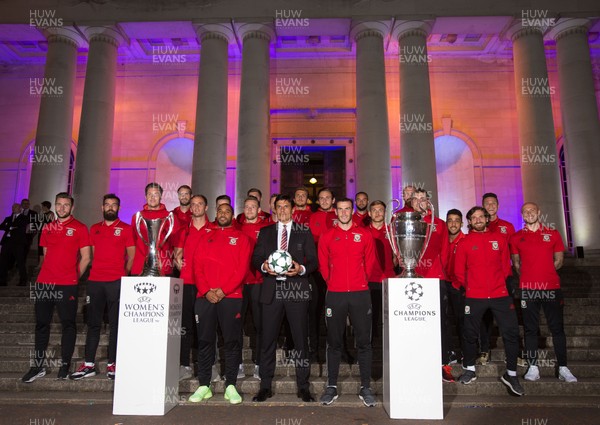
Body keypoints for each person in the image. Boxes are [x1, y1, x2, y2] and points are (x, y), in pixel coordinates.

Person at [251, 194, 318, 403]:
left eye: (286, 206)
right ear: (275, 210)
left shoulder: (304, 231)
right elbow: (255, 258)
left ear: (292, 209)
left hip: (296, 290)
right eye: (278, 207)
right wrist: (264, 266)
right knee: (268, 340)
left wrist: (301, 269)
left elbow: (314, 261)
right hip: (272, 291)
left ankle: (303, 387)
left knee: (300, 340)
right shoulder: (265, 232)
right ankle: (265, 386)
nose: (282, 210)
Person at [21, 192, 91, 383]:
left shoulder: (80, 228)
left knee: (68, 325)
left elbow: (86, 257)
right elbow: (45, 255)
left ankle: (65, 366)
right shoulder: (48, 227)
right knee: (41, 325)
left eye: (65, 205)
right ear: (54, 205)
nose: (61, 208)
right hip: (45, 283)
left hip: (67, 285)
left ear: (72, 207)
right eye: (58, 204)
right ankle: (37, 367)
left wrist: (73, 277)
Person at [455, 206, 524, 396]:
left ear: (486, 219)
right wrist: (470, 288)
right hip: (474, 296)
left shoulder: (500, 239)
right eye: (473, 217)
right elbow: (459, 271)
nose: (477, 220)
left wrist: (500, 286)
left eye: (480, 216)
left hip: (499, 294)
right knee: (469, 333)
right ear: (469, 221)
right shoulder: (464, 243)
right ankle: (469, 369)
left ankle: (511, 374)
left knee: (510, 332)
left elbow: (505, 267)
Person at [189, 203, 251, 405]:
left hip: (231, 298)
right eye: (220, 211)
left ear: (233, 215)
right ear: (216, 214)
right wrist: (207, 290)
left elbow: (241, 270)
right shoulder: (205, 236)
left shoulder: (242, 238)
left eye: (227, 211)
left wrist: (223, 290)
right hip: (204, 297)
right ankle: (204, 385)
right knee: (205, 342)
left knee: (232, 342)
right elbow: (197, 267)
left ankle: (231, 385)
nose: (223, 214)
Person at [318, 198, 378, 407]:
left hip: (360, 294)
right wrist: (332, 282)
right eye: (340, 209)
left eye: (347, 209)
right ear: (336, 211)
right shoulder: (327, 236)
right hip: (335, 294)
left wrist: (360, 280)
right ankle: (332, 386)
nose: (344, 213)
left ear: (352, 211)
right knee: (334, 342)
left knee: (364, 342)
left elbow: (369, 263)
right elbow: (323, 264)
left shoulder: (364, 235)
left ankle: (365, 387)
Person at [509, 202, 577, 383]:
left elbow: (559, 260)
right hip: (528, 290)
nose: (529, 213)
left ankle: (563, 367)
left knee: (557, 329)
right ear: (522, 215)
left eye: (532, 210)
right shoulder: (516, 238)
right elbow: (516, 264)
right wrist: (530, 278)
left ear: (539, 212)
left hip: (551, 288)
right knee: (530, 330)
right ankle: (533, 367)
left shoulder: (553, 234)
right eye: (525, 211)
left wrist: (545, 274)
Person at [70, 194, 134, 381]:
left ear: (119, 208)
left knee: (116, 325)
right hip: (95, 282)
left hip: (116, 282)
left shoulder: (126, 229)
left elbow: (131, 256)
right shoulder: (94, 228)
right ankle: (88, 364)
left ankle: (113, 364)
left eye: (114, 205)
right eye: (107, 205)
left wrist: (124, 275)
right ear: (102, 207)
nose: (110, 208)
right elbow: (93, 255)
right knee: (93, 324)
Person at [411, 189, 454, 382]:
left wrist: (441, 272)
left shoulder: (440, 224)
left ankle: (443, 364)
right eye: (416, 199)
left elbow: (445, 251)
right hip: (413, 280)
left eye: (423, 199)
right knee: (414, 322)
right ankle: (416, 362)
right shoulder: (406, 222)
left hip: (436, 278)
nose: (420, 202)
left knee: (439, 324)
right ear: (411, 203)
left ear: (428, 202)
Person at [174, 194, 210, 381]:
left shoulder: (213, 229)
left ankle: (209, 367)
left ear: (206, 207)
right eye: (193, 204)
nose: (195, 207)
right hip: (187, 283)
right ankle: (185, 365)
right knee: (185, 326)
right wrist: (177, 259)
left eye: (199, 204)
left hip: (207, 285)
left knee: (206, 327)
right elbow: (177, 254)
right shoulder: (184, 231)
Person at [479, 192, 517, 366]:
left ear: (498, 205)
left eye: (493, 203)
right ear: (483, 206)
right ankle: (484, 350)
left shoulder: (507, 227)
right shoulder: (478, 226)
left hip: (504, 278)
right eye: (487, 203)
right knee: (485, 317)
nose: (490, 206)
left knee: (507, 317)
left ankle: (514, 353)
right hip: (484, 280)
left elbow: (513, 252)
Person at [238, 196, 270, 379]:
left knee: (260, 325)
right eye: (247, 207)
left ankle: (259, 364)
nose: (249, 210)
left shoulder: (265, 230)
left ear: (259, 210)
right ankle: (239, 364)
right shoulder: (237, 228)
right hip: (239, 284)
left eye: (253, 207)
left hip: (259, 282)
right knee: (236, 326)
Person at [130, 183, 178, 276]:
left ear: (161, 196)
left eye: (156, 194)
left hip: (163, 267)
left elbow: (175, 244)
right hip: (139, 267)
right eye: (149, 194)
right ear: (145, 196)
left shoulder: (170, 217)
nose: (152, 197)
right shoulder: (137, 217)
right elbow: (133, 242)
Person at [366, 200, 396, 344]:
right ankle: (370, 347)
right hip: (370, 279)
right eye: (375, 210)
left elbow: (398, 254)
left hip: (389, 279)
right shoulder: (363, 232)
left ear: (385, 213)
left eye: (381, 210)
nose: (378, 213)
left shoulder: (392, 232)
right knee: (371, 316)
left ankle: (391, 346)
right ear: (369, 213)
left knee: (391, 317)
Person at [445, 209, 467, 363]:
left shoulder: (466, 240)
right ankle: (449, 352)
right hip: (444, 284)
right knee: (444, 321)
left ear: (462, 223)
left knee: (462, 321)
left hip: (459, 286)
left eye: (456, 220)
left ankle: (466, 352)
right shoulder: (442, 240)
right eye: (450, 220)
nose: (453, 223)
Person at [0, 203, 28, 286]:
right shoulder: (8, 218)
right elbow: (1, 226)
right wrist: (11, 227)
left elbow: (21, 227)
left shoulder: (24, 218)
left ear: (20, 208)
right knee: (3, 262)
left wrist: (9, 227)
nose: (13, 208)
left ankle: (23, 280)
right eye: (12, 207)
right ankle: (2, 280)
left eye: (15, 207)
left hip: (18, 243)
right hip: (7, 242)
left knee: (20, 262)